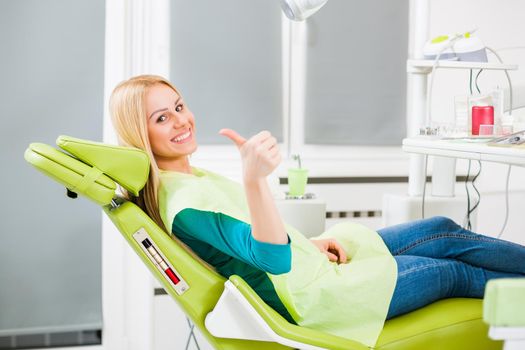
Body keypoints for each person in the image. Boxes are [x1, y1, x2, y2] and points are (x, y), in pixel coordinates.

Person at [109, 75, 525, 347]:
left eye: (179, 107)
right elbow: (271, 258)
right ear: (139, 133)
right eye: (162, 118)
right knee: (452, 273)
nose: (181, 122)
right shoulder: (184, 207)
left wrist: (306, 243)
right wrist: (254, 179)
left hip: (310, 269)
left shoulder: (188, 180)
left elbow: (259, 244)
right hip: (315, 301)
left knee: (440, 230)